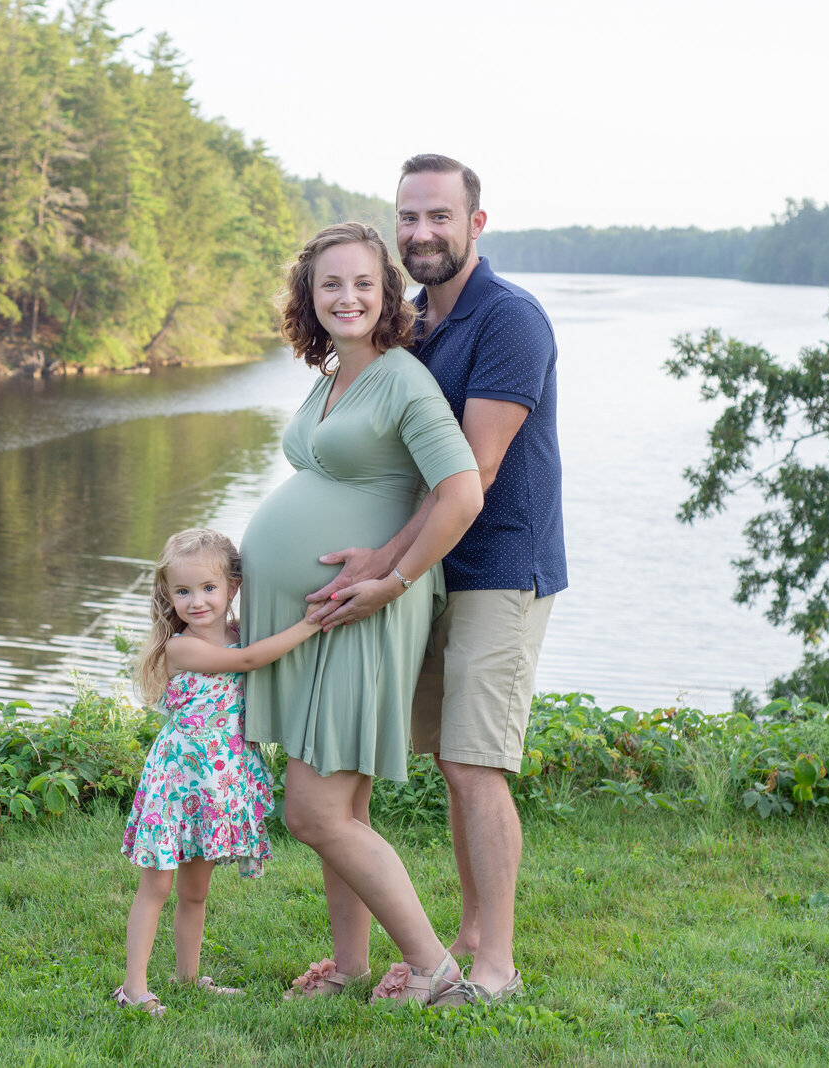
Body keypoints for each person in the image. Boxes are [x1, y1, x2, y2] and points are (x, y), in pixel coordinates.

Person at [308, 155, 565, 1005]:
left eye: (439, 218)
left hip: (497, 567)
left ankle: (494, 969)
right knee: (446, 760)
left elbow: (475, 473)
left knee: (475, 762)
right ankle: (464, 938)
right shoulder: (414, 323)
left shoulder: (510, 322)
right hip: (429, 574)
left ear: (475, 225)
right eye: (408, 218)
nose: (421, 234)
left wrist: (387, 567)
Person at [241, 222, 484, 1006]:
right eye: (329, 285)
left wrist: (393, 578)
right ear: (309, 300)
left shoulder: (403, 379)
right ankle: (347, 965)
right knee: (341, 806)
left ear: (386, 295)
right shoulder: (333, 378)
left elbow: (461, 491)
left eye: (362, 284)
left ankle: (433, 969)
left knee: (313, 810)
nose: (346, 297)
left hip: (365, 616)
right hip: (321, 621)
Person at [115, 528, 321, 1016]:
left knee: (195, 891)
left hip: (215, 783)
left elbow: (253, 647)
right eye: (182, 591)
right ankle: (133, 988)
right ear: (167, 595)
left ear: (232, 585)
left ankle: (187, 979)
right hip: (178, 780)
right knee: (158, 886)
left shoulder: (238, 631)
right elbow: (249, 661)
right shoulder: (182, 648)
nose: (196, 601)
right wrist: (311, 624)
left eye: (208, 588)